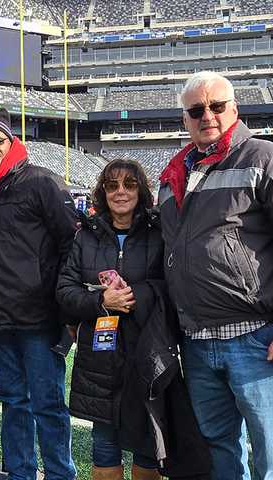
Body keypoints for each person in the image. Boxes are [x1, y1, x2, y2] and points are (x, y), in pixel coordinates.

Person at [158, 71, 273, 479]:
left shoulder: (268, 158)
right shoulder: (174, 176)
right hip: (199, 342)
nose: (208, 116)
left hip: (258, 339)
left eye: (217, 106)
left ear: (234, 108)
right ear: (185, 119)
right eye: (197, 110)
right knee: (220, 453)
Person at [56, 159, 210, 480]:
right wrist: (101, 300)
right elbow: (64, 292)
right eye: (112, 185)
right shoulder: (86, 236)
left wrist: (137, 295)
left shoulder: (159, 233)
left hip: (148, 353)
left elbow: (175, 286)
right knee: (104, 446)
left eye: (129, 185)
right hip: (100, 359)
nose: (120, 192)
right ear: (102, 192)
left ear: (141, 191)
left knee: (148, 447)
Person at [0, 108, 78, 480]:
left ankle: (61, 474)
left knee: (47, 404)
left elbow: (70, 245)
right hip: (0, 319)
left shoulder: (41, 182)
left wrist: (62, 306)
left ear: (12, 142)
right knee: (12, 401)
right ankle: (20, 472)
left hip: (39, 318)